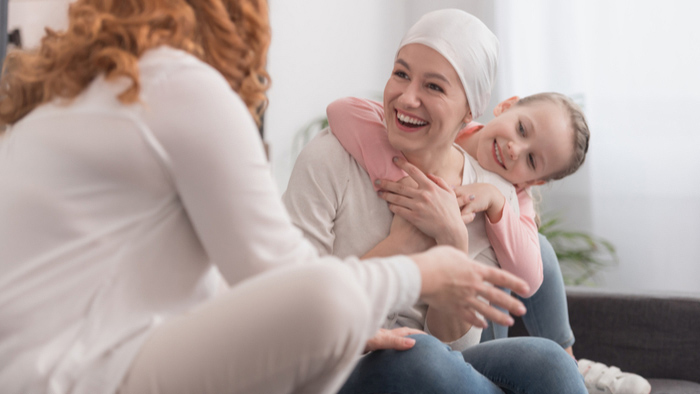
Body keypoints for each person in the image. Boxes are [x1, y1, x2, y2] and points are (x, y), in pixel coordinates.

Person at [0, 1, 536, 394]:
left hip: (43, 367)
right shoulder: (179, 88)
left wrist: (443, 249)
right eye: (400, 73)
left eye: (436, 85)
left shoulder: (84, 92)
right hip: (75, 375)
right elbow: (298, 293)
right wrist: (424, 270)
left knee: (539, 361)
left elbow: (225, 288)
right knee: (413, 355)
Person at [283, 8, 587, 393]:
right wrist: (400, 247)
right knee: (421, 356)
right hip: (337, 361)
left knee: (552, 364)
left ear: (469, 110)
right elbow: (292, 312)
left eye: (434, 87)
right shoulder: (329, 158)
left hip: (437, 364)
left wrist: (452, 243)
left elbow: (455, 346)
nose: (407, 98)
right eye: (401, 73)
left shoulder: (488, 195)